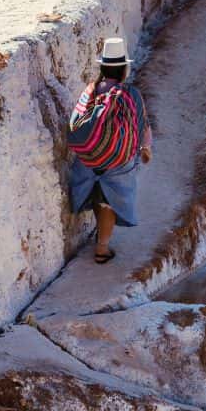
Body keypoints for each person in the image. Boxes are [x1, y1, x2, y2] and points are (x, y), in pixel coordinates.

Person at [68, 37, 153, 264]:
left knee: (99, 195)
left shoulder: (91, 89)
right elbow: (142, 124)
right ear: (124, 68)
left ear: (103, 66)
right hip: (117, 161)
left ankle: (100, 235)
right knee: (109, 200)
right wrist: (145, 148)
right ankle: (102, 249)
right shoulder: (131, 93)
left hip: (87, 158)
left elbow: (77, 120)